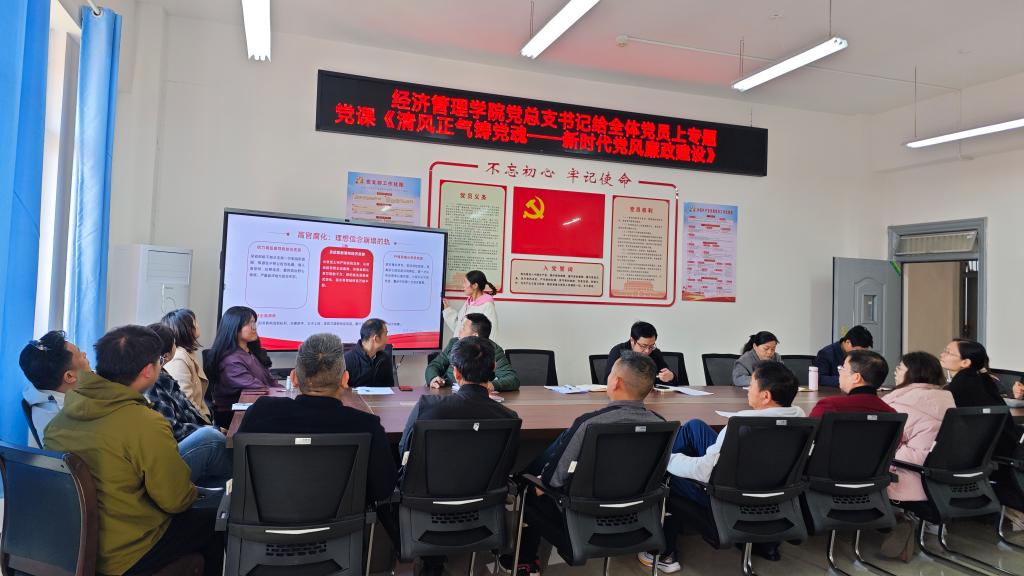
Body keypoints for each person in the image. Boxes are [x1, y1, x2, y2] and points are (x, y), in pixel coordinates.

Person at [45, 325, 222, 576]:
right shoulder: (145, 423)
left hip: (78, 548)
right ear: (148, 370)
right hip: (130, 551)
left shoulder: (57, 423)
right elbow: (176, 500)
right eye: (160, 360)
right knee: (218, 518)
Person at [501, 352, 668, 575]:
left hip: (583, 519)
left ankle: (524, 559)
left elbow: (554, 479)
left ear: (616, 382)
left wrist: (539, 483)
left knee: (529, 489)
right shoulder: (661, 424)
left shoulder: (590, 423)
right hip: (636, 518)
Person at [398, 336, 519, 576]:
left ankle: (430, 562)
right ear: (493, 368)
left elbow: (404, 451)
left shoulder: (427, 407)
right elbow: (508, 464)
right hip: (482, 501)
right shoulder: (508, 417)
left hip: (426, 500)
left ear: (456, 372)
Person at [664, 362, 804, 563]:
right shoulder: (801, 420)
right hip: (774, 494)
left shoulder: (740, 424)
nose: (748, 390)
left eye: (752, 385)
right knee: (695, 427)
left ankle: (665, 551)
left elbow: (704, 472)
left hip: (728, 499)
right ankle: (765, 542)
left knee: (667, 475)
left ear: (765, 396)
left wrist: (668, 460)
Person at [237, 333, 396, 505]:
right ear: (345, 380)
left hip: (265, 517)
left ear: (294, 378)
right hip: (345, 521)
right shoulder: (367, 425)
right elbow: (382, 489)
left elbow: (240, 472)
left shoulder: (260, 412)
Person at [878, 351, 955, 560]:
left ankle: (903, 517)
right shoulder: (946, 398)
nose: (895, 372)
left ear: (912, 373)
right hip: (944, 477)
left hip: (910, 477)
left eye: (900, 368)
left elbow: (885, 444)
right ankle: (924, 524)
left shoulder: (901, 404)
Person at [146, 323, 232, 487]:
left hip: (184, 439)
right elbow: (172, 429)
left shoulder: (164, 375)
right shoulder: (153, 383)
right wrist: (211, 430)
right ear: (167, 354)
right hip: (172, 452)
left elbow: (189, 411)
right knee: (211, 438)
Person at [206, 306, 279, 428]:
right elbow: (255, 387)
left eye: (254, 322)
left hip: (255, 408)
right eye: (249, 323)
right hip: (234, 416)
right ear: (234, 327)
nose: (254, 327)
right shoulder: (229, 359)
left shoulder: (251, 351)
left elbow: (270, 381)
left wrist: (288, 392)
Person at [19, 330, 91, 444]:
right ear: (69, 376)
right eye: (80, 354)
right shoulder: (68, 422)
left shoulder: (40, 385)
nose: (84, 354)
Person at [425, 313, 519, 391]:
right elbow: (435, 365)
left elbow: (512, 379)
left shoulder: (494, 350)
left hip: (477, 396)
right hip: (448, 392)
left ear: (474, 336)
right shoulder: (454, 343)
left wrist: (491, 385)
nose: (459, 331)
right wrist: (433, 378)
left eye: (463, 328)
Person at [809, 349, 895, 417]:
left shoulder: (830, 406)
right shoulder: (892, 414)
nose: (840, 372)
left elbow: (809, 433)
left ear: (856, 378)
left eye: (843, 368)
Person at [161, 308, 211, 422]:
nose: (197, 325)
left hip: (200, 418)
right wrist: (209, 425)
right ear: (185, 328)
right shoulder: (179, 358)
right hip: (192, 423)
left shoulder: (188, 353)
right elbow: (187, 402)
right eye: (195, 321)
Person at [603, 321, 675, 386]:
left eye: (651, 346)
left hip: (651, 395)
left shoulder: (655, 352)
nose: (647, 350)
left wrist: (671, 377)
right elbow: (608, 381)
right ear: (632, 340)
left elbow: (672, 379)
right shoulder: (618, 351)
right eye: (644, 346)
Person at [940, 339, 1003, 407]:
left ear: (965, 362)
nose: (942, 355)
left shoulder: (961, 383)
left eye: (948, 352)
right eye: (945, 350)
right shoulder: (982, 377)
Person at [442, 270, 499, 341]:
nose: (463, 285)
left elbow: (491, 334)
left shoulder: (487, 306)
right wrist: (448, 311)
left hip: (473, 347)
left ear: (475, 285)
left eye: (465, 282)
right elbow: (459, 328)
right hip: (461, 346)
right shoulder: (468, 303)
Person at [344, 318, 395, 388]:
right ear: (376, 338)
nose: (387, 339)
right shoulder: (347, 360)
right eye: (386, 335)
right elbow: (341, 389)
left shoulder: (384, 358)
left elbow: (390, 387)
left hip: (380, 395)